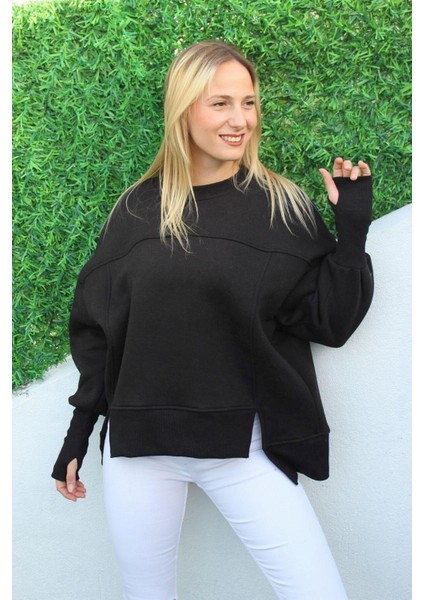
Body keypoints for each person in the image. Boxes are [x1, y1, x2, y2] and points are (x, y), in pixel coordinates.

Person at [52, 39, 373, 600]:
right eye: (220, 103)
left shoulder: (281, 205)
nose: (240, 120)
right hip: (139, 450)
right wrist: (78, 434)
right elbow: (100, 332)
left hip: (243, 448)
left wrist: (352, 230)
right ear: (184, 110)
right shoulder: (135, 209)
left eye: (248, 103)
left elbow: (330, 322)